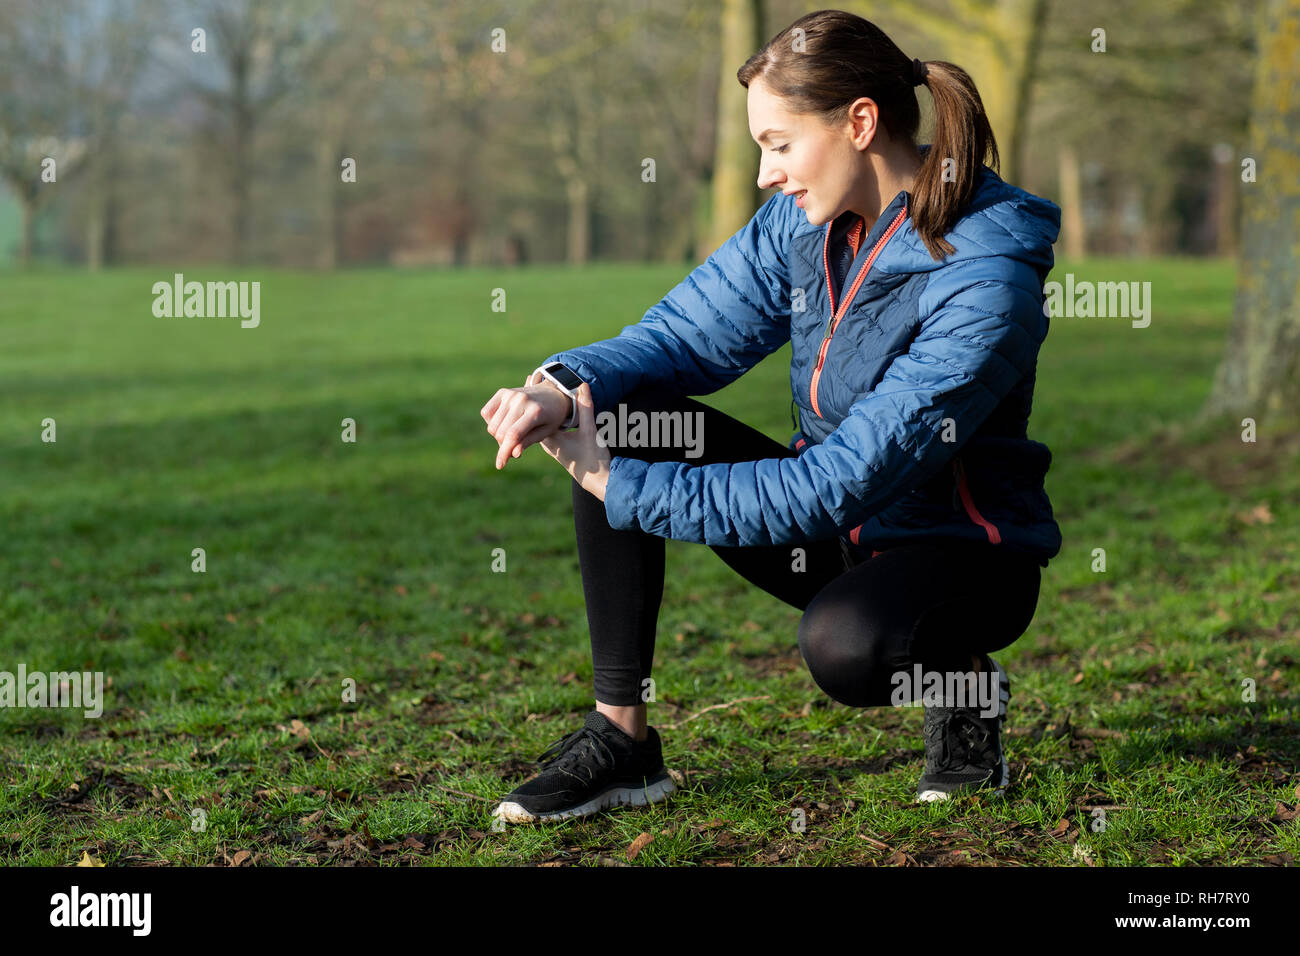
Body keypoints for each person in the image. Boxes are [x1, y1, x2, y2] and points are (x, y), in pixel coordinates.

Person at [479, 9, 1061, 824]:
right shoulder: (803, 222)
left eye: (779, 145)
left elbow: (844, 477)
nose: (764, 174)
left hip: (964, 559)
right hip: (840, 535)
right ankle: (622, 741)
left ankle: (962, 681)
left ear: (860, 122)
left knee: (845, 647)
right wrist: (560, 384)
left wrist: (623, 488)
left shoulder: (984, 270)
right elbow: (685, 334)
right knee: (610, 414)